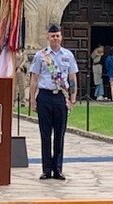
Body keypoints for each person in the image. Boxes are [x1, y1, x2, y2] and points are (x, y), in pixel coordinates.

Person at [29, 24, 78, 180]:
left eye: (57, 35)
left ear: (61, 37)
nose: (55, 38)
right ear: (47, 38)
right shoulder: (40, 56)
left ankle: (57, 168)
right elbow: (34, 78)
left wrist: (73, 97)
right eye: (52, 36)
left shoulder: (68, 55)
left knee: (59, 134)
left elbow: (72, 77)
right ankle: (46, 169)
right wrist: (32, 99)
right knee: (45, 135)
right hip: (44, 96)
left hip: (60, 97)